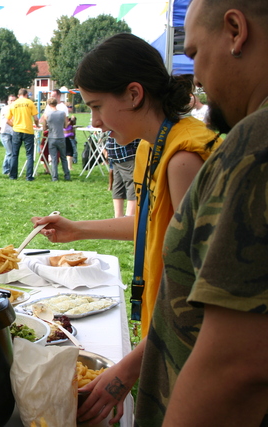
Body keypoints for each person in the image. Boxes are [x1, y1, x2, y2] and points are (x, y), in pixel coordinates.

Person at [30, 33, 221, 425]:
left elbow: (199, 294)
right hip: (162, 336)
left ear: (134, 94)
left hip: (189, 347)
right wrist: (78, 229)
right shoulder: (151, 147)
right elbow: (152, 225)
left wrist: (128, 369)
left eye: (98, 107)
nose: (95, 122)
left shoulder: (184, 157)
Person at [135, 1, 268, 425]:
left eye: (193, 54)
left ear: (235, 31)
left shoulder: (256, 142)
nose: (197, 79)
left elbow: (237, 368)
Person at [7, 88, 39, 181]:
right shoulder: (30, 103)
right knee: (29, 154)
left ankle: (13, 176)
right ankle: (29, 176)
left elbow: (7, 120)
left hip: (17, 130)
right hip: (28, 130)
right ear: (26, 95)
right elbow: (36, 118)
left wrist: (14, 125)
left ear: (18, 95)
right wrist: (37, 125)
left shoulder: (13, 104)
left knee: (15, 154)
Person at [104, 138, 139, 217]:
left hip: (114, 151)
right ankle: (129, 216)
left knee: (118, 184)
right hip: (126, 152)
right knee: (133, 183)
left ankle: (118, 217)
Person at [39, 96, 69, 181]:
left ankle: (54, 176)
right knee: (63, 157)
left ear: (48, 104)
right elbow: (66, 125)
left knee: (54, 158)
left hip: (52, 137)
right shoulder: (62, 113)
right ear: (56, 104)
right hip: (61, 137)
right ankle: (67, 175)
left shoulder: (46, 115)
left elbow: (44, 128)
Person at [0, 95, 16, 175]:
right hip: (5, 133)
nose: (12, 102)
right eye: (11, 100)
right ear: (8, 101)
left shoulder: (15, 109)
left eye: (14, 100)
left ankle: (7, 169)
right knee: (10, 152)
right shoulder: (5, 109)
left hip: (12, 133)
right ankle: (7, 170)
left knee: (9, 152)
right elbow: (8, 121)